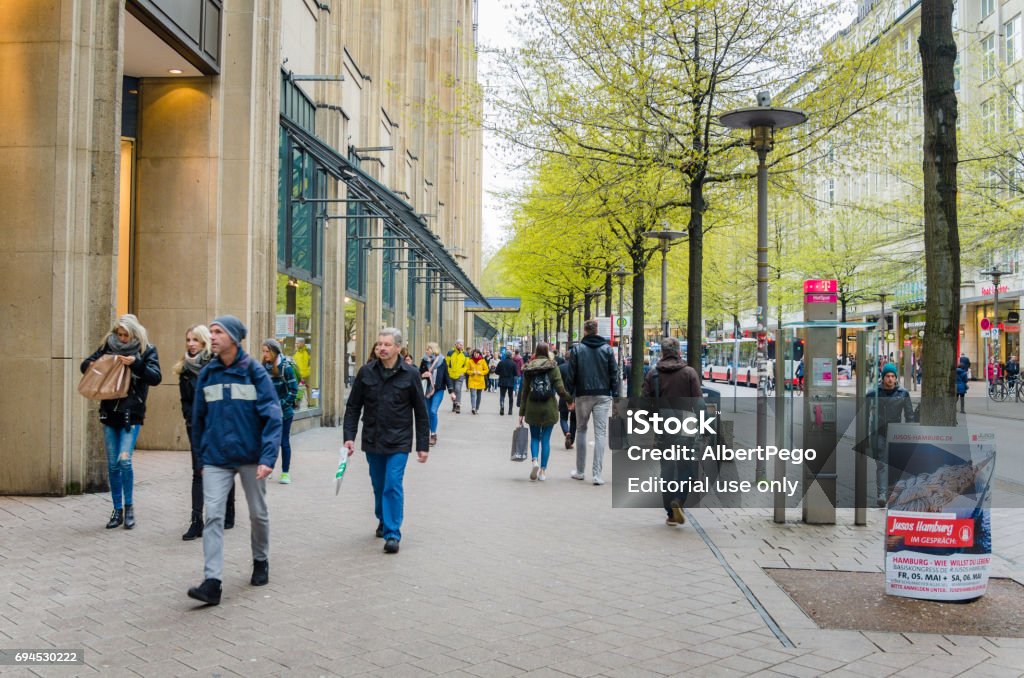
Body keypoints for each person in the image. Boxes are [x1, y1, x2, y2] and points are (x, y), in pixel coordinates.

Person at [187, 316, 282, 606]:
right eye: (211, 332)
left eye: (218, 332)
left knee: (258, 513)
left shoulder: (254, 372)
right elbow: (198, 418)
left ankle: (261, 559)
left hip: (251, 456)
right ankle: (212, 582)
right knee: (212, 515)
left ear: (234, 338)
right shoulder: (208, 372)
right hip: (216, 457)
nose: (212, 337)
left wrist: (267, 458)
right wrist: (200, 457)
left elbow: (272, 415)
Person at [344, 329, 429, 554]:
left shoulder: (410, 374)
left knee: (392, 484)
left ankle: (392, 533)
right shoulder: (365, 372)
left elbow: (421, 412)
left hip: (399, 441)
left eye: (387, 344)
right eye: (379, 344)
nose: (382, 348)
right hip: (373, 438)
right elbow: (353, 406)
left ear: (398, 348)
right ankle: (383, 518)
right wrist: (348, 437)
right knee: (378, 484)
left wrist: (422, 445)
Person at [81, 314, 162, 531]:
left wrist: (136, 364)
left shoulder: (146, 350)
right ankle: (117, 510)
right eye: (120, 334)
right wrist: (100, 362)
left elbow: (155, 377)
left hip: (131, 414)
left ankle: (129, 508)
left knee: (124, 461)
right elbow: (85, 366)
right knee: (113, 465)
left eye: (127, 335)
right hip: (109, 412)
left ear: (135, 333)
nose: (123, 339)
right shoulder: (108, 347)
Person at [176, 324, 235, 540]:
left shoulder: (218, 366)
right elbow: (185, 401)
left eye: (195, 340)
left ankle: (229, 511)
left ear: (204, 343)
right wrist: (191, 419)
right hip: (196, 427)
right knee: (198, 471)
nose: (191, 344)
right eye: (188, 340)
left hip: (218, 425)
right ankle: (196, 521)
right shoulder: (184, 369)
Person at [642, 337, 704, 527]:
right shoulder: (689, 373)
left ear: (662, 352)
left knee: (667, 469)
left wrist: (654, 422)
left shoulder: (653, 374)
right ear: (678, 352)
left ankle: (670, 513)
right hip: (686, 425)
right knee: (687, 468)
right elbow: (699, 403)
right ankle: (679, 499)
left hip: (663, 427)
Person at [566, 319, 621, 485]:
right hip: (603, 396)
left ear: (585, 331)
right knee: (600, 434)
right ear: (597, 331)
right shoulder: (607, 349)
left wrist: (570, 397)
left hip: (583, 395)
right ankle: (597, 474)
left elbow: (571, 375)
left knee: (581, 430)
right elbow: (614, 373)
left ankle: (580, 471)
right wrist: (616, 396)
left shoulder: (577, 350)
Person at [519, 343, 573, 482]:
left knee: (535, 437)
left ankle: (534, 461)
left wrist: (521, 412)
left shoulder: (529, 367)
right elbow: (560, 389)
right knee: (546, 440)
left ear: (535, 352)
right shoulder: (553, 367)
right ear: (547, 352)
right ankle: (543, 471)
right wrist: (569, 400)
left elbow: (524, 392)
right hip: (549, 407)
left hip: (532, 407)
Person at [866, 363, 914, 507]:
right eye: (888, 376)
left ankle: (892, 494)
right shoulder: (873, 393)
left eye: (893, 376)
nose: (890, 379)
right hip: (878, 433)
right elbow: (864, 415)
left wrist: (909, 435)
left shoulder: (903, 393)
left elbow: (909, 416)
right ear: (883, 377)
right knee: (882, 464)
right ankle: (882, 494)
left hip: (896, 434)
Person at [261, 339, 299, 484]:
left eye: (267, 351)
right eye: (263, 351)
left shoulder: (286, 367)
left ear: (275, 351)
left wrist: (281, 405)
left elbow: (293, 390)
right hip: (269, 412)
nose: (265, 354)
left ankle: (285, 473)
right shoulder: (264, 367)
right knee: (269, 442)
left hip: (284, 412)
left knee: (284, 442)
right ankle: (268, 468)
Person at [422, 342, 448, 446]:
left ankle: (433, 434)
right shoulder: (424, 360)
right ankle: (428, 434)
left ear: (433, 350)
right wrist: (423, 374)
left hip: (438, 389)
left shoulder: (442, 361)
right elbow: (419, 373)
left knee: (433, 411)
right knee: (428, 413)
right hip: (427, 390)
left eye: (428, 349)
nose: (426, 351)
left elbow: (446, 375)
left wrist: (451, 391)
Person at [557, 353, 576, 449]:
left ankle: (566, 432)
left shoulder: (560, 368)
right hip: (575, 397)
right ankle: (571, 441)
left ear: (565, 358)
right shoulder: (577, 368)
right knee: (574, 420)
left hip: (563, 396)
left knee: (563, 418)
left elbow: (557, 383)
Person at [445, 340, 469, 413]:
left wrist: (463, 372)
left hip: (460, 375)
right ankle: (454, 404)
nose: (461, 346)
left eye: (462, 345)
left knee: (458, 389)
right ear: (455, 344)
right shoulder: (450, 353)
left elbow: (466, 365)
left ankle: (458, 404)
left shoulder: (465, 354)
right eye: (459, 344)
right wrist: (448, 371)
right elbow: (446, 363)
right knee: (453, 390)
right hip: (451, 375)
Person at [466, 348, 489, 414]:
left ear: (479, 354)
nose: (476, 354)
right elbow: (467, 370)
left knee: (479, 395)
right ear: (473, 354)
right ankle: (473, 408)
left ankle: (476, 408)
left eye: (477, 353)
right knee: (473, 394)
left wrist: (481, 372)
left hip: (480, 381)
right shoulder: (470, 361)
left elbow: (486, 370)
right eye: (475, 353)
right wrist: (472, 372)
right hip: (472, 380)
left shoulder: (483, 361)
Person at [293, 337, 311, 408]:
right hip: (300, 376)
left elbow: (312, 363)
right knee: (299, 391)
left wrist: (309, 371)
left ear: (302, 343)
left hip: (308, 376)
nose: (296, 344)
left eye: (297, 343)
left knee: (312, 390)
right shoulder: (295, 353)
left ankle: (313, 402)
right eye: (296, 343)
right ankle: (297, 404)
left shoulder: (308, 352)